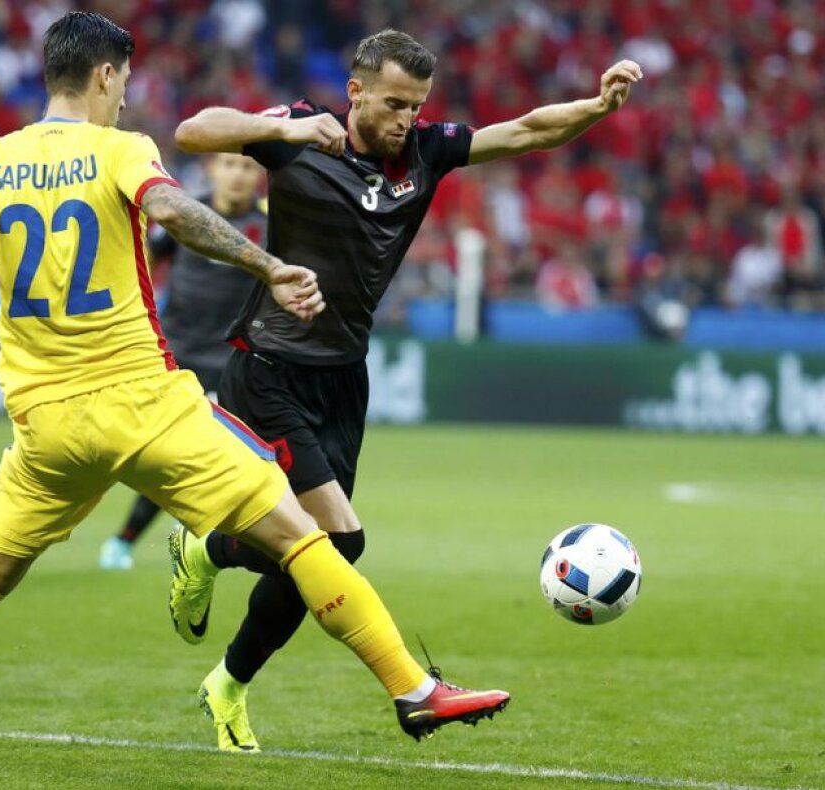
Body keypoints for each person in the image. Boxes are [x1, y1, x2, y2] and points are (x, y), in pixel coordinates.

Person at [0, 11, 509, 755]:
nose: (128, 98)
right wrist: (267, 266)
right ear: (105, 76)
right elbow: (170, 207)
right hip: (144, 404)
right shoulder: (121, 149)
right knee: (310, 536)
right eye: (125, 82)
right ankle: (412, 690)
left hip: (45, 427)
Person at [168, 28, 641, 752]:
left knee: (331, 551)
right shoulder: (301, 134)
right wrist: (286, 125)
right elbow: (195, 130)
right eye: (392, 103)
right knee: (339, 540)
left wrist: (597, 108)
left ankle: (220, 633)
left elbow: (526, 131)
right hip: (267, 365)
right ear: (355, 91)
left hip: (342, 377)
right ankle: (231, 618)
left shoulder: (427, 151)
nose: (404, 120)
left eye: (415, 106)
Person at [100, 152, 268, 571]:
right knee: (161, 454)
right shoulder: (184, 215)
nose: (237, 175)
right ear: (213, 169)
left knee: (211, 457)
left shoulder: (271, 227)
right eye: (229, 165)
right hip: (172, 353)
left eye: (247, 167)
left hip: (231, 360)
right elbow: (141, 257)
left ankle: (176, 544)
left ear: (260, 176)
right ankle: (132, 541)